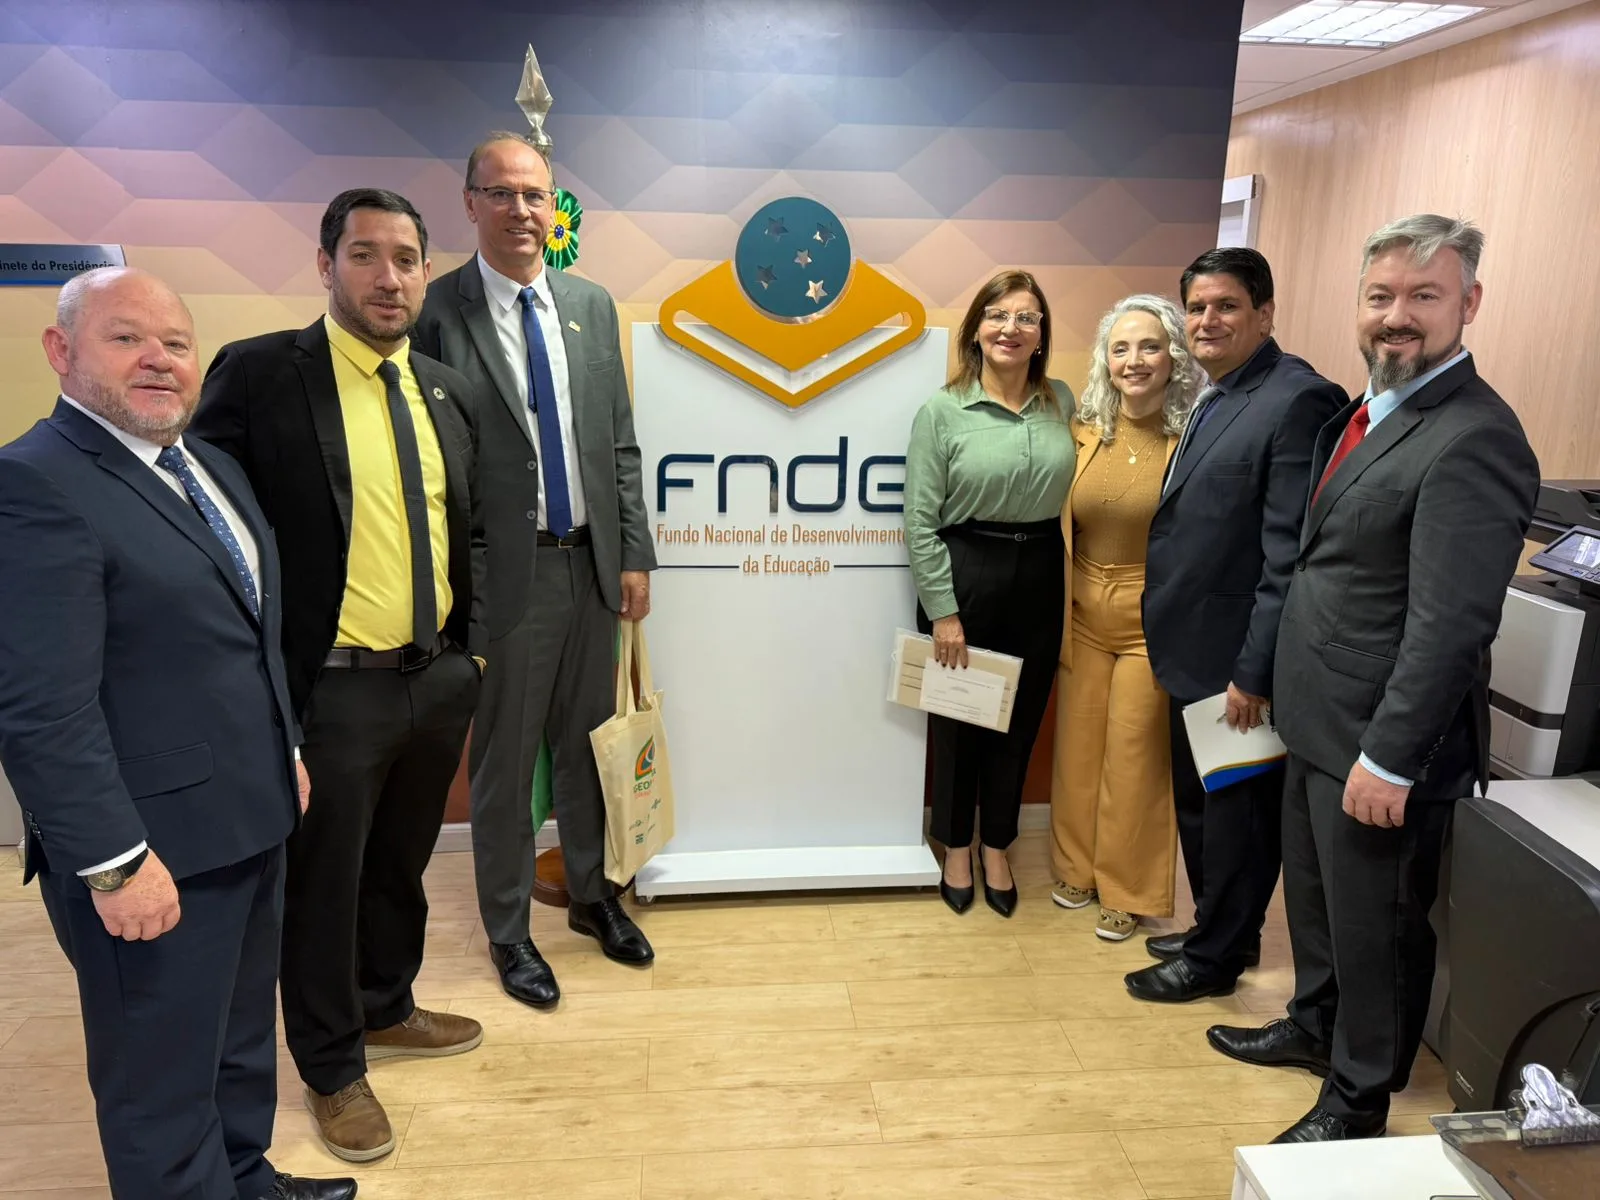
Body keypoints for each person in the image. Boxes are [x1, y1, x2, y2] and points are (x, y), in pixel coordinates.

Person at [0, 268, 353, 1199]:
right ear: (61, 350)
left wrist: (283, 750)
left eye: (177, 343)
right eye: (126, 338)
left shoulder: (207, 468)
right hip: (151, 850)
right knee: (159, 1080)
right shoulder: (33, 484)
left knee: (236, 1041)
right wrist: (113, 863)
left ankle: (243, 1177)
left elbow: (242, 636)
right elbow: (40, 710)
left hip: (249, 819)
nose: (159, 359)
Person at [1207, 215, 1539, 1143]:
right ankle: (1314, 1026)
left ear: (1469, 304)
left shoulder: (1475, 438)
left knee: (1376, 928)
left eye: (1424, 296)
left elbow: (1450, 624)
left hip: (1381, 742)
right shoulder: (1368, 413)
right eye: (1381, 295)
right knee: (1317, 906)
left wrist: (1390, 758)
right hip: (1319, 716)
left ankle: (1356, 1101)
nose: (1397, 316)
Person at [191, 189, 487, 1164]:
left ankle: (386, 1006)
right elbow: (211, 531)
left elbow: (473, 527)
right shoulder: (261, 374)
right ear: (326, 266)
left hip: (434, 680)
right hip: (331, 688)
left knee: (401, 864)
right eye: (365, 255)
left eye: (406, 258)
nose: (388, 277)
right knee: (325, 884)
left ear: (427, 272)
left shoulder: (446, 390)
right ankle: (330, 1065)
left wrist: (471, 653)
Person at [413, 131, 657, 1008]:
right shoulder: (437, 313)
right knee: (507, 764)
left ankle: (592, 896)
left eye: (535, 195)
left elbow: (619, 444)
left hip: (591, 569)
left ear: (555, 209)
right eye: (502, 193)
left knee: (589, 748)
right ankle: (510, 930)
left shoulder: (590, 305)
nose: (521, 210)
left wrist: (633, 554)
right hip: (502, 579)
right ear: (470, 203)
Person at [1125, 248, 1347, 1003]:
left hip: (1237, 664)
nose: (1207, 321)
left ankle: (1214, 960)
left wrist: (1253, 672)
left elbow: (1289, 556)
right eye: (1196, 307)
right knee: (1203, 806)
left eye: (1226, 306)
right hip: (1191, 649)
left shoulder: (1297, 400)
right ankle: (1220, 931)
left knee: (1236, 819)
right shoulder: (1218, 394)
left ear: (1265, 313)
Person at [904, 269, 1075, 918]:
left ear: (1041, 335)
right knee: (958, 721)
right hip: (965, 569)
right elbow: (920, 521)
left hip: (1041, 572)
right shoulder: (942, 411)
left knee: (1020, 722)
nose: (1011, 328)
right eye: (998, 315)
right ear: (976, 330)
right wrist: (943, 613)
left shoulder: (1063, 402)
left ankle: (997, 844)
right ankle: (955, 845)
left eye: (1026, 317)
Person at [1049, 295, 1200, 941]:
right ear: (1105, 361)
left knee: (1136, 758)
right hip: (1081, 612)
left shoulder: (1192, 440)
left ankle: (1127, 889)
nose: (1134, 360)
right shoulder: (1082, 430)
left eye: (1149, 346)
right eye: (1121, 348)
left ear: (1174, 357)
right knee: (1078, 752)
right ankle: (1075, 870)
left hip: (1150, 621)